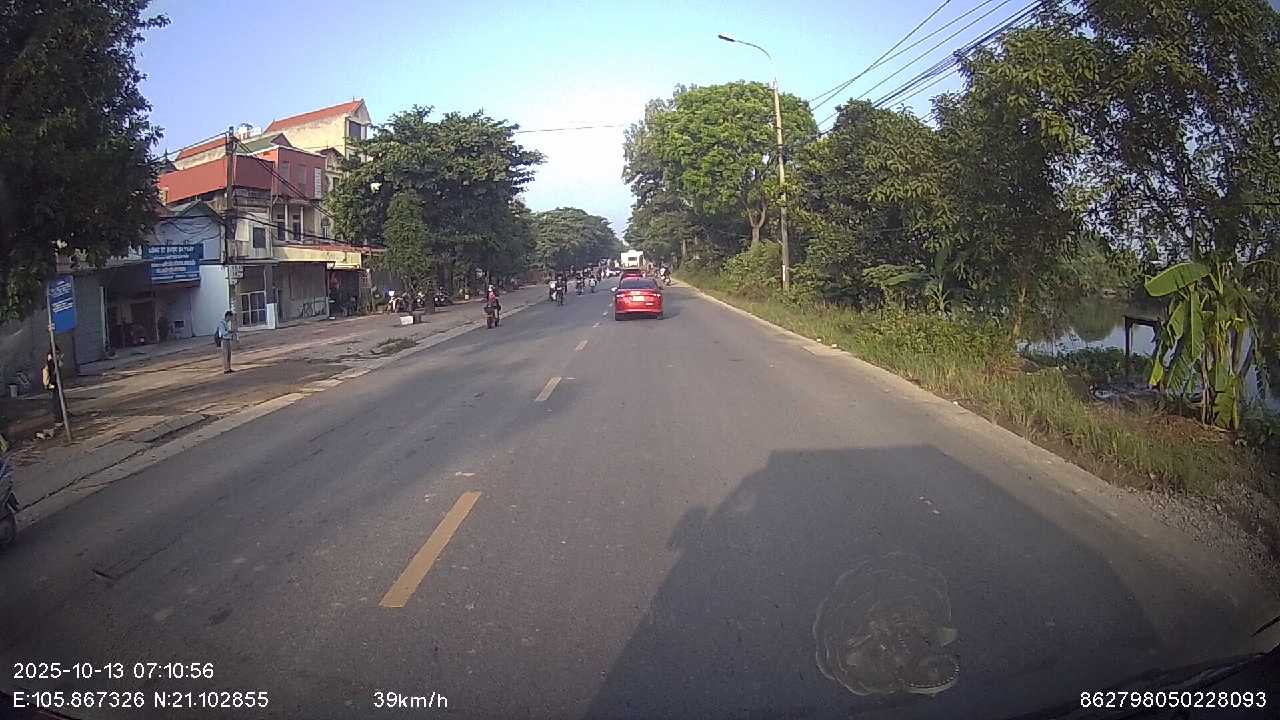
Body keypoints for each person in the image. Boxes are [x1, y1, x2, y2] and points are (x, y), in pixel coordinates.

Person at [42, 347, 64, 424]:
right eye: (57, 354)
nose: (59, 355)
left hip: (52, 384)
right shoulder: (51, 363)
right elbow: (53, 375)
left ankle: (60, 416)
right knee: (56, 399)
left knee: (57, 399)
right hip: (52, 384)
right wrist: (59, 364)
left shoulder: (50, 361)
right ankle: (58, 418)